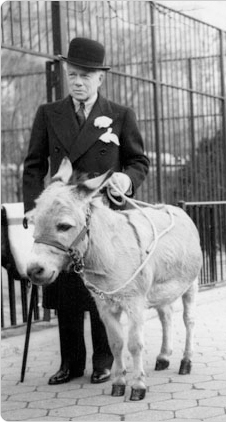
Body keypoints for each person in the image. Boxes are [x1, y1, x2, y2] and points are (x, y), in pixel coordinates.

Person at [23, 37, 150, 385]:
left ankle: (104, 359)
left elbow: (139, 161)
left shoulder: (120, 115)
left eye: (85, 76)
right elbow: (33, 166)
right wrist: (35, 209)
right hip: (63, 218)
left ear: (100, 78)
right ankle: (70, 362)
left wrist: (126, 179)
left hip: (103, 218)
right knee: (65, 291)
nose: (77, 82)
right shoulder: (49, 114)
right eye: (72, 74)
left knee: (103, 287)